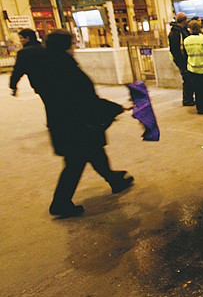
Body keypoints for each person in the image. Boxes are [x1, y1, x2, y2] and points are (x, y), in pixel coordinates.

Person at [11, 29, 134, 218]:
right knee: (76, 161)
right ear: (65, 45)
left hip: (62, 121)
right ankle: (60, 202)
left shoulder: (46, 64)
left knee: (94, 152)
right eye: (73, 43)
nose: (74, 47)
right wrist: (115, 108)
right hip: (76, 123)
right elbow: (85, 98)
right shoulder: (64, 66)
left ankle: (114, 179)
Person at [183, 20, 203, 114]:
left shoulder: (186, 40)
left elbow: (186, 54)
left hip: (193, 69)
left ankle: (199, 107)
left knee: (197, 90)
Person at [168, 12, 195, 106]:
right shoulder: (175, 33)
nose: (187, 21)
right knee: (187, 80)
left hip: (186, 60)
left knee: (189, 80)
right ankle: (187, 100)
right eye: (186, 19)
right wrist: (182, 64)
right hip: (182, 61)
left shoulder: (182, 30)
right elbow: (175, 50)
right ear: (182, 21)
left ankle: (189, 98)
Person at [9, 28, 42, 96]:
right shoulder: (44, 48)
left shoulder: (24, 53)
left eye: (21, 38)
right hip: (56, 81)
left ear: (27, 38)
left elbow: (18, 70)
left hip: (39, 83)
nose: (20, 41)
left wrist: (13, 85)